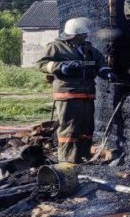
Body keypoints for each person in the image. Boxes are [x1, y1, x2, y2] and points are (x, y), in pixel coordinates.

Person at [36, 17, 116, 164]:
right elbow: (41, 64)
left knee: (86, 128)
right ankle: (67, 160)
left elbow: (100, 63)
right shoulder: (56, 47)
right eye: (83, 34)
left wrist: (106, 72)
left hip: (87, 94)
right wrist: (59, 67)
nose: (86, 36)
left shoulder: (89, 49)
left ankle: (82, 156)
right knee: (69, 129)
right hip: (68, 94)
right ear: (75, 34)